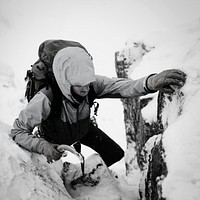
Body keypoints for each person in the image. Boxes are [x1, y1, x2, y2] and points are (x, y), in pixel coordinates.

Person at [10, 46, 186, 167]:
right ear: (65, 81)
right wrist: (44, 146)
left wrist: (151, 82)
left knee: (115, 154)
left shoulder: (90, 84)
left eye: (88, 83)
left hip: (82, 128)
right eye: (80, 86)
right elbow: (18, 131)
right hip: (54, 137)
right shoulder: (46, 98)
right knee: (56, 170)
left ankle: (93, 177)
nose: (86, 89)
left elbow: (123, 86)